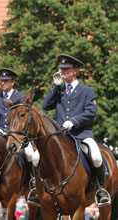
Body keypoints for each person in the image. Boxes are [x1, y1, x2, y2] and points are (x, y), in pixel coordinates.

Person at [41, 54, 110, 206]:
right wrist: (54, 86)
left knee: (97, 156)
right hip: (61, 137)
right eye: (61, 69)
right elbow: (45, 106)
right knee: (35, 156)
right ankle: (35, 189)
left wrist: (73, 121)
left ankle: (101, 190)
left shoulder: (87, 90)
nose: (63, 72)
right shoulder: (58, 91)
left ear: (75, 71)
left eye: (66, 69)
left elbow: (91, 112)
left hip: (81, 134)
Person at [0, 68, 39, 206]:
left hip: (17, 136)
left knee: (30, 155)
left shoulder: (20, 97)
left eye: (6, 81)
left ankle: (32, 184)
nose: (3, 83)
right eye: (1, 81)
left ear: (12, 82)